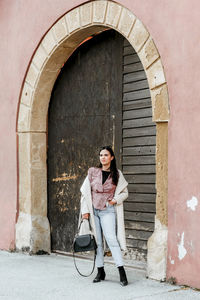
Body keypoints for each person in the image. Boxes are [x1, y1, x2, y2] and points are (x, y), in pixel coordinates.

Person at [79, 146, 129, 286]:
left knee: (112, 239)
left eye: (106, 155)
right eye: (101, 155)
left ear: (112, 157)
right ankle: (100, 271)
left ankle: (121, 271)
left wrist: (115, 200)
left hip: (108, 210)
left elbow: (125, 193)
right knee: (98, 242)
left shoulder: (117, 174)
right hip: (93, 210)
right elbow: (85, 193)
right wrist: (85, 213)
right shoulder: (92, 172)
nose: (103, 157)